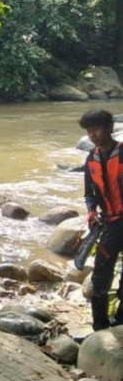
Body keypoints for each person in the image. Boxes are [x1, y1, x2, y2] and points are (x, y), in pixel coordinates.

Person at [79, 109, 123, 331]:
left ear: (109, 128)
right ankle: (100, 328)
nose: (92, 134)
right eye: (88, 131)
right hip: (109, 224)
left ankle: (120, 323)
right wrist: (91, 211)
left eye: (96, 128)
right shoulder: (91, 158)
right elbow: (89, 193)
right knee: (100, 279)